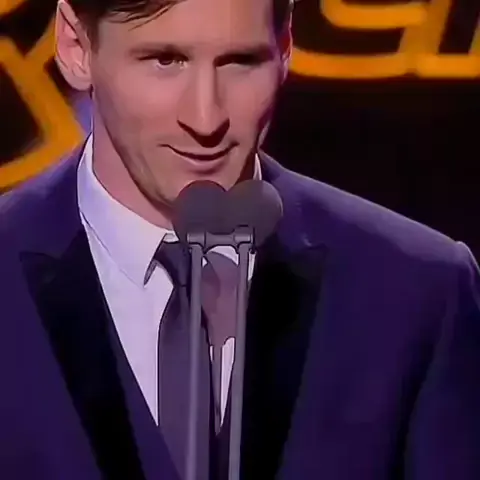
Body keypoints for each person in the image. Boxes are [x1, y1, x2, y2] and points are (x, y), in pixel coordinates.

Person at [1, 0, 480, 478]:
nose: (205, 119)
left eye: (240, 62)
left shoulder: (418, 294)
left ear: (285, 48)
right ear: (76, 46)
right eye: (165, 60)